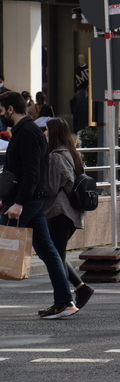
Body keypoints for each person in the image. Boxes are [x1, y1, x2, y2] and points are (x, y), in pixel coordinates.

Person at [0, 91, 78, 318]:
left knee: (47, 251)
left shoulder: (27, 132)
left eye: (2, 110)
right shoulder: (26, 131)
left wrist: (18, 204)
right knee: (47, 250)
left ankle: (65, 301)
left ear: (11, 109)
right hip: (30, 201)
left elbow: (32, 173)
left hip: (28, 201)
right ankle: (65, 301)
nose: (1, 115)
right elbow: (21, 171)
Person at [44, 117, 94, 309]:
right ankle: (81, 288)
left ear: (54, 133)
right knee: (57, 255)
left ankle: (66, 299)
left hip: (60, 212)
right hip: (73, 212)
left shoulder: (56, 156)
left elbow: (52, 188)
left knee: (55, 256)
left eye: (47, 130)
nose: (45, 134)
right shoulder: (73, 154)